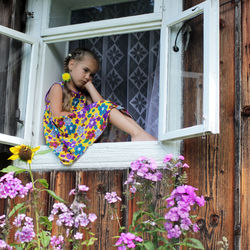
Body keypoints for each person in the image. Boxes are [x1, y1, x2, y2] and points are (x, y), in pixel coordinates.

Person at [43, 48, 156, 165]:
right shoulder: (58, 87)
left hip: (77, 135)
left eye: (92, 75)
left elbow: (104, 108)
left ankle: (139, 134)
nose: (88, 77)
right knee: (104, 107)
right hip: (63, 136)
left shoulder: (84, 95)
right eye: (85, 70)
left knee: (112, 108)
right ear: (71, 64)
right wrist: (85, 115)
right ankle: (137, 134)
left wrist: (89, 85)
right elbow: (56, 116)